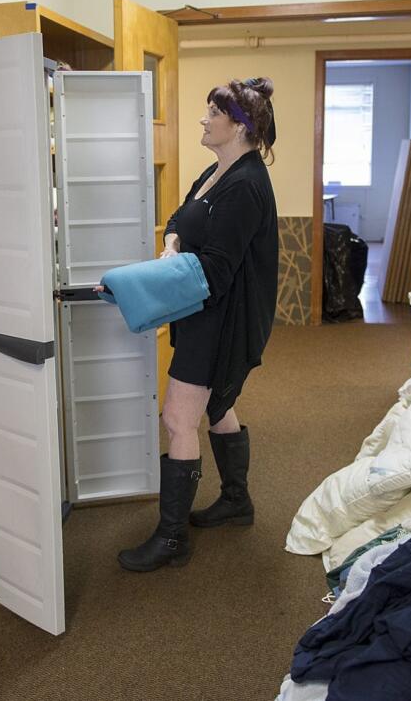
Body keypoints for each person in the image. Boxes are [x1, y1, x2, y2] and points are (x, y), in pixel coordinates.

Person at [117, 77, 280, 572]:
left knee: (177, 418)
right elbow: (180, 217)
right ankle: (236, 500)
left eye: (213, 111)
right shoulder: (218, 172)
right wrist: (170, 242)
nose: (204, 119)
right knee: (217, 405)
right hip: (201, 309)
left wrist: (143, 282)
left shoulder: (247, 185)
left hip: (221, 316)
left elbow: (217, 269)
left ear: (240, 125)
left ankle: (172, 540)